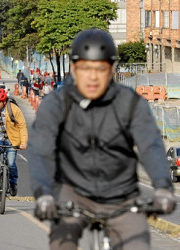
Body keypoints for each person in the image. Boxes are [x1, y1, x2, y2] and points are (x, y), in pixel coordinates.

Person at [28, 29, 176, 250]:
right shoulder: (56, 104)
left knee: (137, 245)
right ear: (73, 68)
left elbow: (151, 145)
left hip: (122, 196)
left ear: (112, 69)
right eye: (85, 68)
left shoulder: (131, 103)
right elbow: (41, 151)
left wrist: (163, 187)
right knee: (62, 243)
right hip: (72, 192)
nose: (93, 77)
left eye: (101, 69)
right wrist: (44, 194)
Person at [0, 89, 28, 195]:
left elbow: (22, 126)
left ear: (3, 101)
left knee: (11, 163)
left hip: (12, 139)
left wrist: (23, 142)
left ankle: (13, 183)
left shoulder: (14, 109)